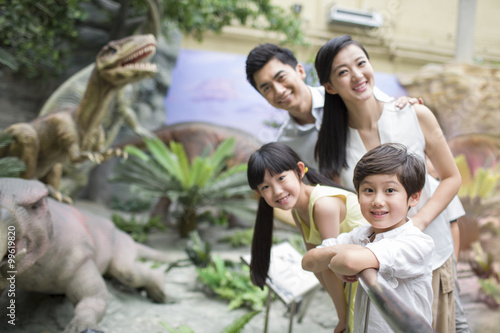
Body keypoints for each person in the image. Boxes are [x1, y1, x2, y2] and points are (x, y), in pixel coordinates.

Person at [313, 34, 468, 332]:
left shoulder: (414, 114)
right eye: (343, 71)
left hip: (430, 251)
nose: (357, 75)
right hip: (378, 260)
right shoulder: (334, 144)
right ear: (330, 86)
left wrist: (417, 225)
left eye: (361, 63)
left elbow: (452, 177)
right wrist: (349, 252)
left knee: (450, 325)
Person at [302, 143, 434, 332]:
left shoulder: (416, 243)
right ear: (357, 194)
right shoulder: (362, 234)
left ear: (413, 197)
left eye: (390, 190)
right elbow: (308, 262)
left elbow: (348, 261)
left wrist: (335, 258)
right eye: (368, 190)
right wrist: (338, 256)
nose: (377, 201)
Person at [247, 142, 368, 333]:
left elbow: (328, 265)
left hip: (373, 277)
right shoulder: (298, 210)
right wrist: (341, 314)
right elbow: (317, 267)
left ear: (300, 170)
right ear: (259, 193)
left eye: (281, 178)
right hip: (356, 278)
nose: (277, 191)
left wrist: (342, 318)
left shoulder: (323, 205)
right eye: (266, 187)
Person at [245, 43, 419, 170]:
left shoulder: (343, 93)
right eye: (266, 88)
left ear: (300, 71)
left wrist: (405, 105)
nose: (279, 90)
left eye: (281, 77)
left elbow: (387, 110)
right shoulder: (287, 144)